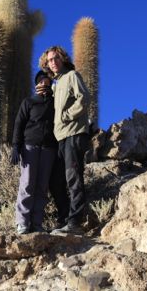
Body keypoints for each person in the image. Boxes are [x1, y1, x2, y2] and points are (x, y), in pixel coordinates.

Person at [38, 46, 90, 234]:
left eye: (56, 58)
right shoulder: (56, 84)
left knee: (73, 177)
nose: (53, 62)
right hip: (60, 137)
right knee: (56, 180)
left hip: (74, 133)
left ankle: (75, 222)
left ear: (63, 59)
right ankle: (64, 219)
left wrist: (66, 115)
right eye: (49, 60)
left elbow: (84, 98)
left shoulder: (71, 76)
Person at [11, 70, 57, 234]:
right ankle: (22, 222)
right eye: (42, 81)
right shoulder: (29, 102)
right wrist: (16, 146)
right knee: (27, 184)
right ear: (37, 84)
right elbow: (19, 124)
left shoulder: (55, 103)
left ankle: (37, 223)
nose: (45, 83)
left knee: (42, 187)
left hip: (49, 148)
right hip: (30, 146)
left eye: (47, 81)